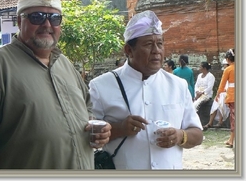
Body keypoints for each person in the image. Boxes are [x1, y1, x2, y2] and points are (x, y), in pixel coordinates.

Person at [0, 0, 111, 169]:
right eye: (37, 17)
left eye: (55, 18)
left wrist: (100, 131)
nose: (47, 24)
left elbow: (87, 113)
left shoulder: (65, 64)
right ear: (19, 21)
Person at [89, 10, 203, 169]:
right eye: (149, 44)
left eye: (160, 43)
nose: (156, 50)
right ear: (129, 50)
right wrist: (120, 128)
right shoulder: (101, 86)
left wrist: (179, 136)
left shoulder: (178, 85)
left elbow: (197, 135)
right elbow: (88, 136)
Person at [202, 59, 230, 130]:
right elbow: (222, 85)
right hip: (223, 93)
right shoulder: (226, 73)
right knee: (216, 103)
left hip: (229, 93)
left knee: (222, 100)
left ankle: (220, 122)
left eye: (225, 65)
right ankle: (210, 123)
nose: (224, 67)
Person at [215, 49, 235, 148]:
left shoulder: (228, 69)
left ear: (228, 59)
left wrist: (218, 94)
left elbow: (222, 84)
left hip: (233, 96)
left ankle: (231, 140)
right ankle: (231, 139)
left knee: (234, 119)